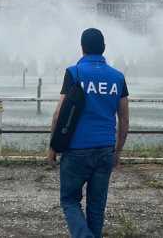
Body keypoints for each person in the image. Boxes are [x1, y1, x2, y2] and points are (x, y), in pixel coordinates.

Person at [48, 28, 130, 238]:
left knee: (69, 201)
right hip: (105, 149)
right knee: (96, 207)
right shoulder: (118, 78)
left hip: (76, 150)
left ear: (82, 48)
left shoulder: (74, 73)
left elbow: (58, 114)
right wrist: (117, 152)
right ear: (103, 48)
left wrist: (53, 147)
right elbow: (124, 119)